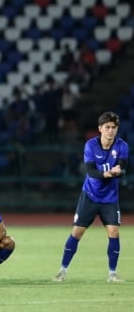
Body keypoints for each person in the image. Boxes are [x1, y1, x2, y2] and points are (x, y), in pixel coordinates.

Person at [53, 111, 129, 283]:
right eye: (107, 127)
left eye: (114, 128)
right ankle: (62, 271)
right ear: (100, 128)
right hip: (90, 195)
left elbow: (122, 170)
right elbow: (91, 171)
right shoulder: (90, 145)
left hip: (109, 198)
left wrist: (119, 172)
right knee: (77, 233)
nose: (111, 131)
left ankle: (112, 274)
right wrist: (108, 173)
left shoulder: (122, 146)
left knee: (114, 233)